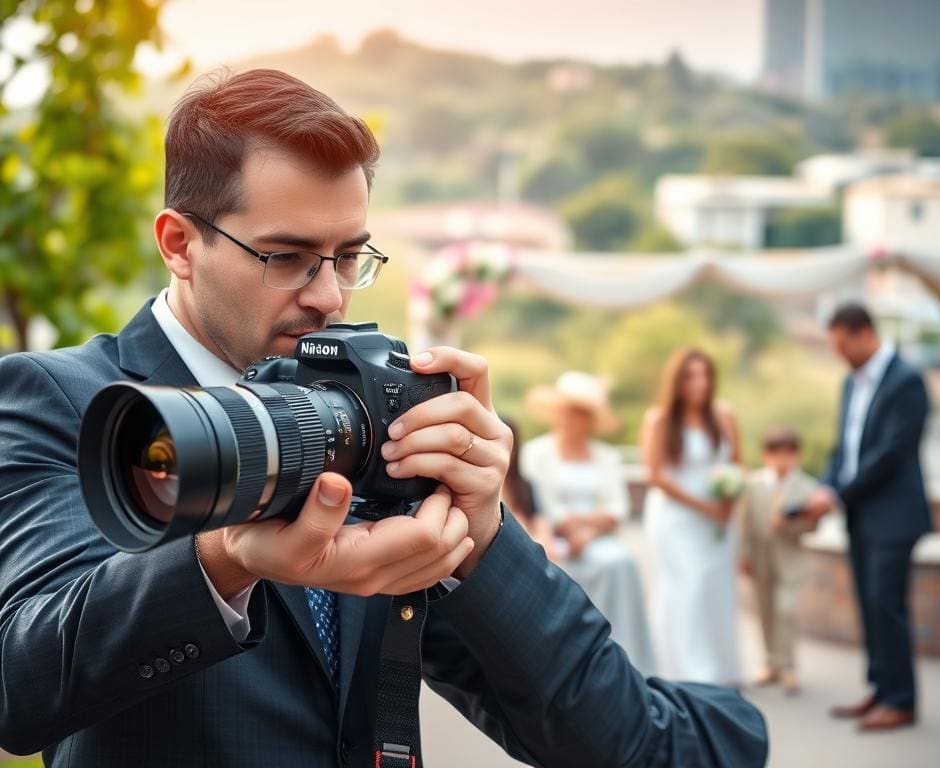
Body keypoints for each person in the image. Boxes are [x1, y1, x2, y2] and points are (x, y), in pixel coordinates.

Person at [0, 69, 767, 767]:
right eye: (287, 258)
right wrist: (225, 561)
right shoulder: (69, 402)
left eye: (349, 257)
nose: (330, 297)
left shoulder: (367, 421)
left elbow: (605, 741)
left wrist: (482, 534)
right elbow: (18, 685)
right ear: (179, 244)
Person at [803, 303, 931, 732]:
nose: (838, 353)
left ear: (864, 335)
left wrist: (837, 495)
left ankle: (901, 700)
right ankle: (880, 688)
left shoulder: (907, 381)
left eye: (841, 344)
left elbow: (890, 455)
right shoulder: (849, 384)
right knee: (869, 605)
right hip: (860, 514)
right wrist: (826, 485)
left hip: (894, 516)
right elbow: (844, 448)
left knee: (887, 605)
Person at [520, 372, 656, 674]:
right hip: (552, 536)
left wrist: (589, 531)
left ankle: (624, 656)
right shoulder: (537, 453)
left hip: (598, 538)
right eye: (570, 411)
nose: (574, 420)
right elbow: (542, 504)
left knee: (620, 563)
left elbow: (616, 507)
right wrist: (571, 528)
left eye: (582, 413)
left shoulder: (607, 457)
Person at [641, 348, 742, 686]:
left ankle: (720, 668)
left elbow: (739, 463)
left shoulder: (724, 415)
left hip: (719, 521)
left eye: (705, 375)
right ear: (678, 381)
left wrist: (730, 498)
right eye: (691, 376)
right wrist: (703, 506)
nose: (699, 383)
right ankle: (687, 671)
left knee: (716, 589)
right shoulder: (660, 420)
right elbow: (655, 474)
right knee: (687, 588)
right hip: (677, 518)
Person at [738, 427, 822, 695]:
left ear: (797, 455)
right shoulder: (754, 484)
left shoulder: (807, 487)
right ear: (766, 455)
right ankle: (770, 663)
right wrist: (744, 554)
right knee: (764, 612)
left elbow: (812, 527)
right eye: (776, 453)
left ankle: (788, 667)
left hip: (790, 559)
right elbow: (745, 523)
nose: (782, 460)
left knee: (786, 610)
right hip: (760, 558)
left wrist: (790, 523)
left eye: (788, 453)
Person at [499, 417, 556, 558]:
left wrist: (543, 545)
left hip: (530, 552)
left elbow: (540, 521)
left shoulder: (525, 485)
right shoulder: (475, 487)